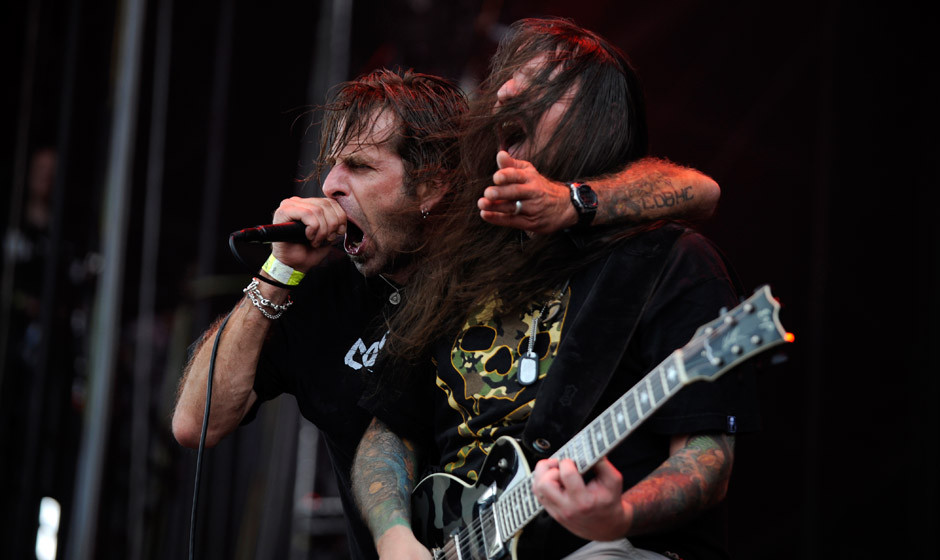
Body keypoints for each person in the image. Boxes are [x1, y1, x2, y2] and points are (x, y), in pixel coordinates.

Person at [172, 65, 722, 559]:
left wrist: (570, 201)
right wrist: (278, 271)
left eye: (358, 166)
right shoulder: (316, 285)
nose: (331, 185)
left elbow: (695, 190)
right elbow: (194, 422)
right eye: (330, 165)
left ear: (432, 183)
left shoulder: (491, 249)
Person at [352, 18, 758, 560]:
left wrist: (621, 514)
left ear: (595, 116)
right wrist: (395, 538)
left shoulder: (667, 262)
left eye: (540, 81)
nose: (507, 91)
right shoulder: (459, 268)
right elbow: (387, 432)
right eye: (506, 75)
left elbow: (707, 457)